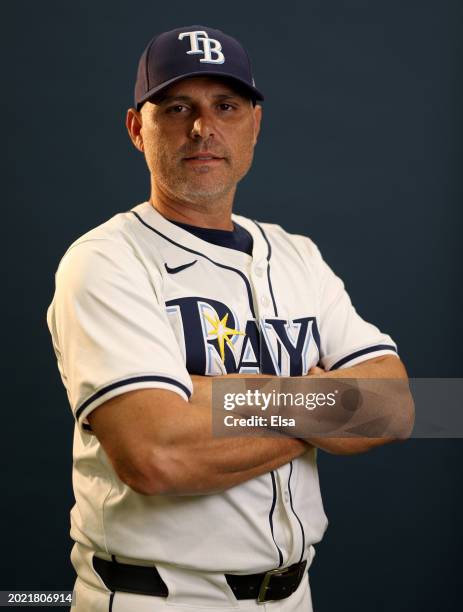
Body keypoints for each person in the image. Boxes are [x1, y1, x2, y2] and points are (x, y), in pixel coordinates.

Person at [46, 25, 413, 612]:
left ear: (254, 124)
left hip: (295, 595)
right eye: (176, 107)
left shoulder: (299, 255)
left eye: (226, 105)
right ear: (138, 129)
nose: (203, 127)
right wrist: (320, 403)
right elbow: (154, 454)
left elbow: (396, 408)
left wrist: (207, 404)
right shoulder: (105, 260)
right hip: (157, 597)